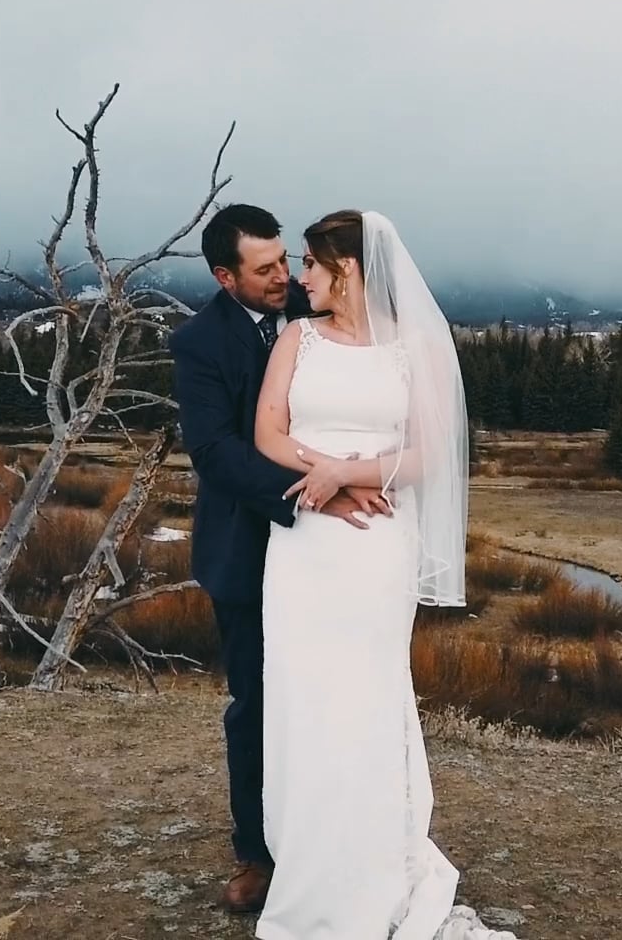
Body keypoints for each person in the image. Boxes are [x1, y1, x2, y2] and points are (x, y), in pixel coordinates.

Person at [251, 210, 514, 939]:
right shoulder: (295, 340)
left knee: (366, 697)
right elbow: (266, 432)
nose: (299, 277)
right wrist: (327, 475)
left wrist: (354, 469)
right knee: (303, 697)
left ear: (349, 268)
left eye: (310, 263)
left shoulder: (416, 349)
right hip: (306, 542)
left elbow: (430, 452)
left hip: (375, 548)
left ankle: (372, 868)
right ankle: (308, 872)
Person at [168, 204, 389, 914]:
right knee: (258, 704)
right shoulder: (199, 343)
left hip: (333, 554)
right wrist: (314, 494)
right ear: (223, 275)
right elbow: (215, 451)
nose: (284, 278)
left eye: (286, 262)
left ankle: (338, 840)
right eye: (264, 270)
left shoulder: (315, 302)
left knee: (334, 696)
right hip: (249, 544)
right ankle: (258, 855)